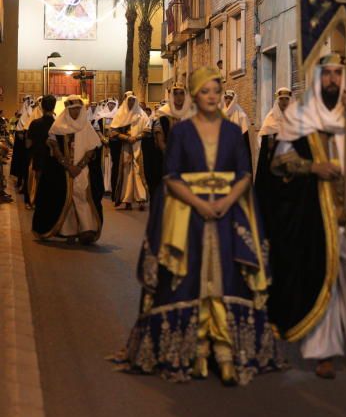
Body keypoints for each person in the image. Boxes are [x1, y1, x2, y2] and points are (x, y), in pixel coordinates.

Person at [110, 67, 282, 385]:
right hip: (188, 215)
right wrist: (201, 204)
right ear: (194, 96)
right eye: (206, 92)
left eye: (217, 91)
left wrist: (225, 203)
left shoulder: (232, 132)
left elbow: (244, 174)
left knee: (227, 278)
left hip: (228, 215)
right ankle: (195, 350)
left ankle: (227, 351)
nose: (213, 97)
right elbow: (171, 176)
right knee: (189, 278)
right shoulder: (182, 132)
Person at [270, 53, 346, 383]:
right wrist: (313, 167)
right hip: (318, 217)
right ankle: (324, 354)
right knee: (322, 282)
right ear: (317, 77)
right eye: (327, 74)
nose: (332, 80)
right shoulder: (300, 114)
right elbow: (279, 163)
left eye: (338, 74)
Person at [32, 95, 104, 245]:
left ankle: (86, 229)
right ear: (67, 110)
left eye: (78, 109)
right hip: (61, 171)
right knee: (65, 198)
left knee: (82, 197)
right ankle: (67, 231)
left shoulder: (87, 127)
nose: (76, 112)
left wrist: (79, 167)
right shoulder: (58, 126)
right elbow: (54, 148)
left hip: (82, 171)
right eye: (72, 109)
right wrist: (67, 165)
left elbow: (91, 149)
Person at [255, 87, 293, 235]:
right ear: (278, 101)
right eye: (281, 99)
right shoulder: (270, 120)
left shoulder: (296, 120)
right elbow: (265, 147)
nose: (284, 102)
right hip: (274, 171)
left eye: (286, 99)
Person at [110, 92, 149, 210]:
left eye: (133, 100)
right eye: (129, 100)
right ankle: (127, 200)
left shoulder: (142, 115)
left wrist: (136, 138)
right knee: (126, 173)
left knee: (138, 172)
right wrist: (127, 138)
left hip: (138, 146)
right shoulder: (120, 115)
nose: (131, 102)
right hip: (125, 148)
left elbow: (147, 130)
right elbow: (113, 131)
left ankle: (141, 199)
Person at [25, 94, 56, 209]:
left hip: (38, 157)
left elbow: (28, 144)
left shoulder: (35, 123)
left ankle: (35, 202)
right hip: (53, 159)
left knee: (37, 182)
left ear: (41, 107)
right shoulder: (58, 124)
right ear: (54, 107)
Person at [154, 83, 194, 152]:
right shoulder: (163, 112)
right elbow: (160, 141)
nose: (179, 97)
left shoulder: (191, 113)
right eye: (175, 94)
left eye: (182, 93)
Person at [221, 90, 252, 167]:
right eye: (226, 98)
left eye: (230, 98)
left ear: (233, 100)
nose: (228, 100)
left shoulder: (241, 116)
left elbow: (244, 139)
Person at [95, 99, 119, 195]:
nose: (111, 106)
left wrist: (112, 138)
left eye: (113, 104)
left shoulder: (118, 117)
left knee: (112, 165)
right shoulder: (101, 116)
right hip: (103, 144)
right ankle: (104, 186)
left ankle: (111, 186)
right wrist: (103, 139)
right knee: (103, 165)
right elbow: (97, 129)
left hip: (114, 144)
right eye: (110, 104)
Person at [10, 96, 34, 190]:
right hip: (23, 147)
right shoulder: (25, 116)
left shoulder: (28, 115)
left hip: (24, 145)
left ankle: (22, 183)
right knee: (23, 164)